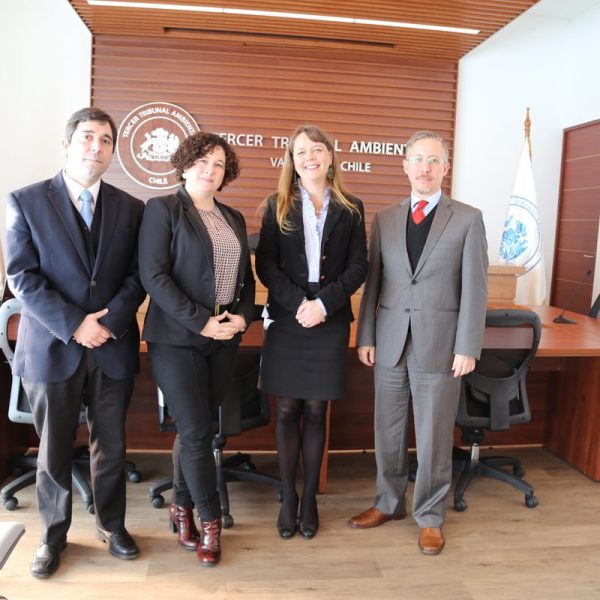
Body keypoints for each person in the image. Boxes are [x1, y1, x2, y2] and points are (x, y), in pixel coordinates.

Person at [5, 107, 146, 578]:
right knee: (53, 449)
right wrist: (74, 325)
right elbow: (22, 276)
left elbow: (138, 275)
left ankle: (112, 525)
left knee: (112, 445)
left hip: (112, 343)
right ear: (67, 144)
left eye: (106, 140)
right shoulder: (26, 200)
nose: (96, 147)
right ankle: (52, 536)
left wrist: (107, 323)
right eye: (88, 137)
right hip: (52, 345)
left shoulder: (131, 208)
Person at [349, 130, 488, 555]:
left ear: (445, 167)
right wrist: (366, 334)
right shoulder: (385, 219)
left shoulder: (467, 218)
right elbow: (374, 283)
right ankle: (388, 503)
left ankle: (429, 517)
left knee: (433, 437)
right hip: (389, 342)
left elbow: (475, 289)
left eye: (433, 160)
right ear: (405, 166)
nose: (424, 168)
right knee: (387, 431)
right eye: (417, 160)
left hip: (441, 346)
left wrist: (468, 346)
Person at [139, 131, 255, 566]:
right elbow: (154, 277)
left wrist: (242, 318)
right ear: (186, 165)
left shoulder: (233, 217)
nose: (210, 170)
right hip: (177, 337)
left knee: (198, 428)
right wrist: (201, 321)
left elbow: (246, 280)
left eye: (219, 164)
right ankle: (211, 522)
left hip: (222, 338)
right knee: (196, 432)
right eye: (203, 161)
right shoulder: (163, 210)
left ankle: (181, 507)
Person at [255, 124, 368, 540]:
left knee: (317, 411)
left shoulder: (351, 207)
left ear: (330, 156)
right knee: (287, 410)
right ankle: (288, 496)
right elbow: (266, 265)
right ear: (292, 160)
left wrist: (322, 305)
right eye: (300, 151)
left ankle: (310, 501)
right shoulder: (277, 204)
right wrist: (299, 304)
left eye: (317, 149)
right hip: (287, 319)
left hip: (329, 318)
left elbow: (358, 267)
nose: (309, 157)